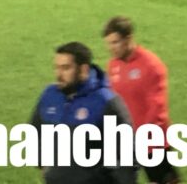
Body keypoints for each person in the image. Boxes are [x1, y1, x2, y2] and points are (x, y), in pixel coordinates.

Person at [30, 42, 136, 184]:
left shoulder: (105, 102)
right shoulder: (50, 95)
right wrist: (43, 164)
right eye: (56, 68)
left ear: (83, 70)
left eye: (65, 68)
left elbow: (127, 156)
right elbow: (35, 131)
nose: (59, 74)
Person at [103, 17, 181, 184]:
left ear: (129, 38)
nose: (111, 48)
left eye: (115, 42)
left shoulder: (151, 65)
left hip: (153, 142)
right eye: (109, 43)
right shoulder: (113, 65)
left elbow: (157, 108)